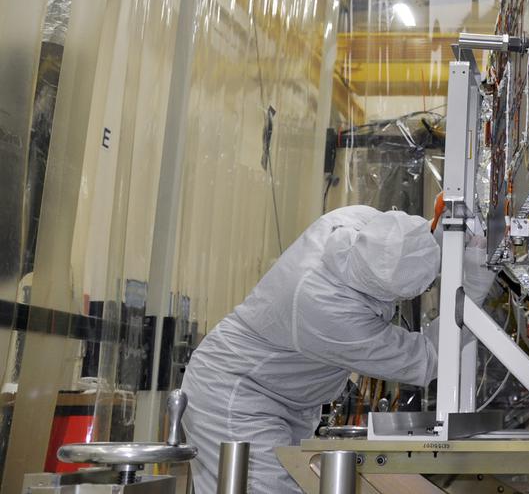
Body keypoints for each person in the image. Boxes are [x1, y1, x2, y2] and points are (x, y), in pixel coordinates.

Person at [181, 205, 442, 494]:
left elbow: (400, 241)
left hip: (288, 400)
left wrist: (432, 233)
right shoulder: (327, 309)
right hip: (237, 396)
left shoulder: (355, 220)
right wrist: (475, 288)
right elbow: (429, 359)